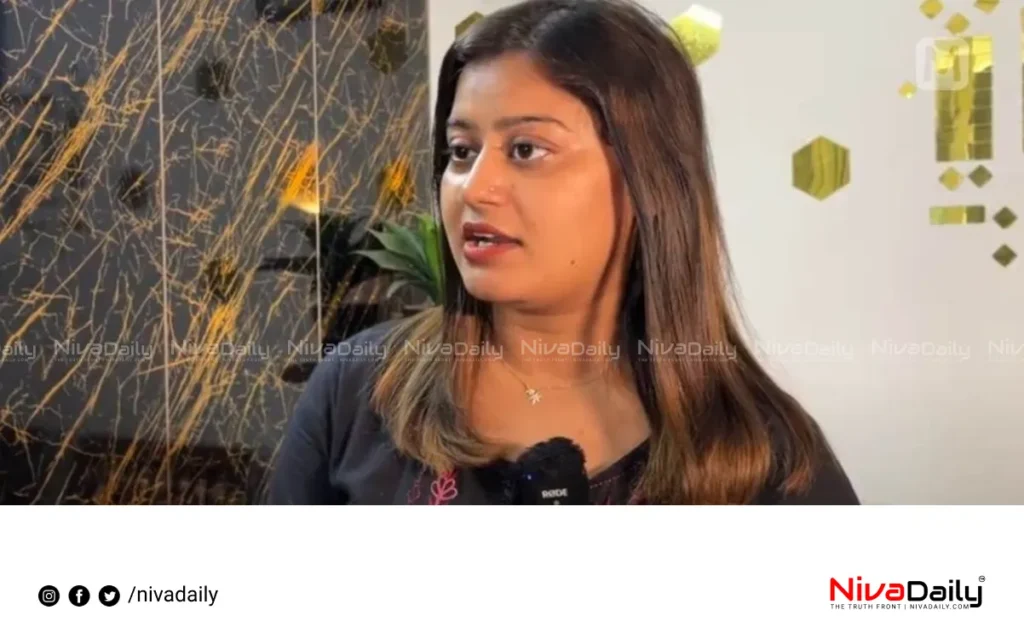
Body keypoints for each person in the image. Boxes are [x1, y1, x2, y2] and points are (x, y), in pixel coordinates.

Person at [267, 0, 859, 505]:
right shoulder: (361, 387)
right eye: (462, 151)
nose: (474, 188)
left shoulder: (766, 456)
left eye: (526, 149)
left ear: (649, 181)